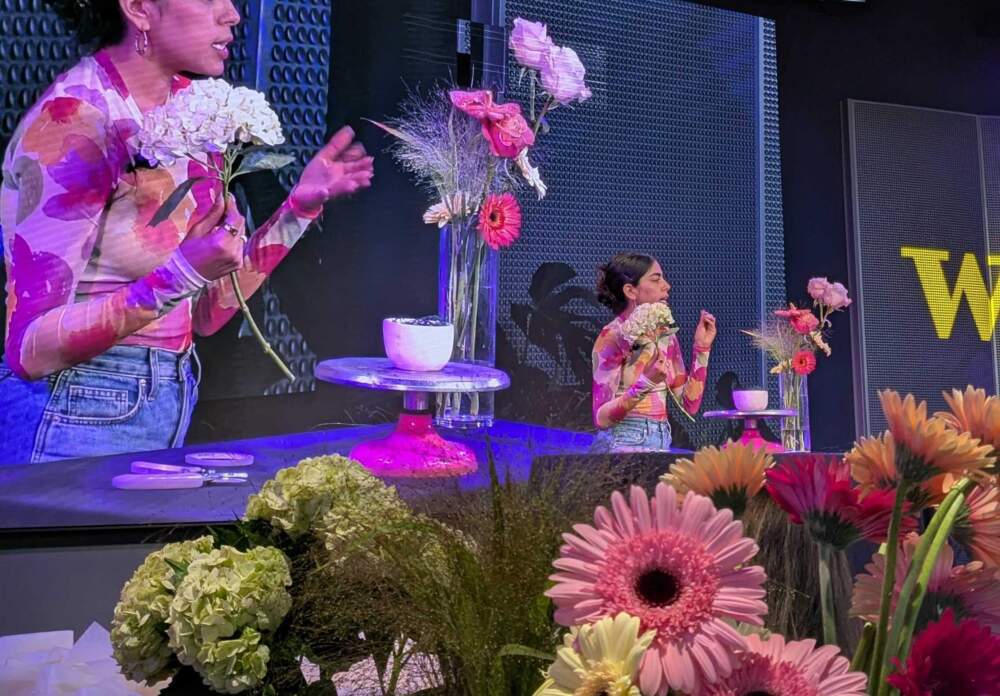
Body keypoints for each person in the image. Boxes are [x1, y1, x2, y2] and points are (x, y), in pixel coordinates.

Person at [0, 0, 374, 464]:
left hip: (168, 395)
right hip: (73, 407)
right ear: (139, 8)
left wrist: (299, 208)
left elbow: (204, 315)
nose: (233, 14)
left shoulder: (192, 112)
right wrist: (179, 273)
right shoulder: (76, 121)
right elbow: (29, 351)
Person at [591, 253, 717, 452]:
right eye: (656, 279)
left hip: (661, 438)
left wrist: (702, 348)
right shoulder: (613, 336)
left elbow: (689, 404)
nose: (667, 286)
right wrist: (646, 382)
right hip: (624, 441)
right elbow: (602, 418)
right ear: (631, 291)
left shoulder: (664, 335)